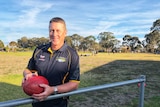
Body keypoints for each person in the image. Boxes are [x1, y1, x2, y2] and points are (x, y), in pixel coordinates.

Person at [22, 17, 80, 107]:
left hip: (58, 102)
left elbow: (74, 84)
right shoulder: (39, 50)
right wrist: (27, 75)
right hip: (37, 101)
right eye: (51, 30)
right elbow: (28, 70)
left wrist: (53, 90)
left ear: (65, 32)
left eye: (58, 30)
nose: (54, 34)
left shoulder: (72, 54)